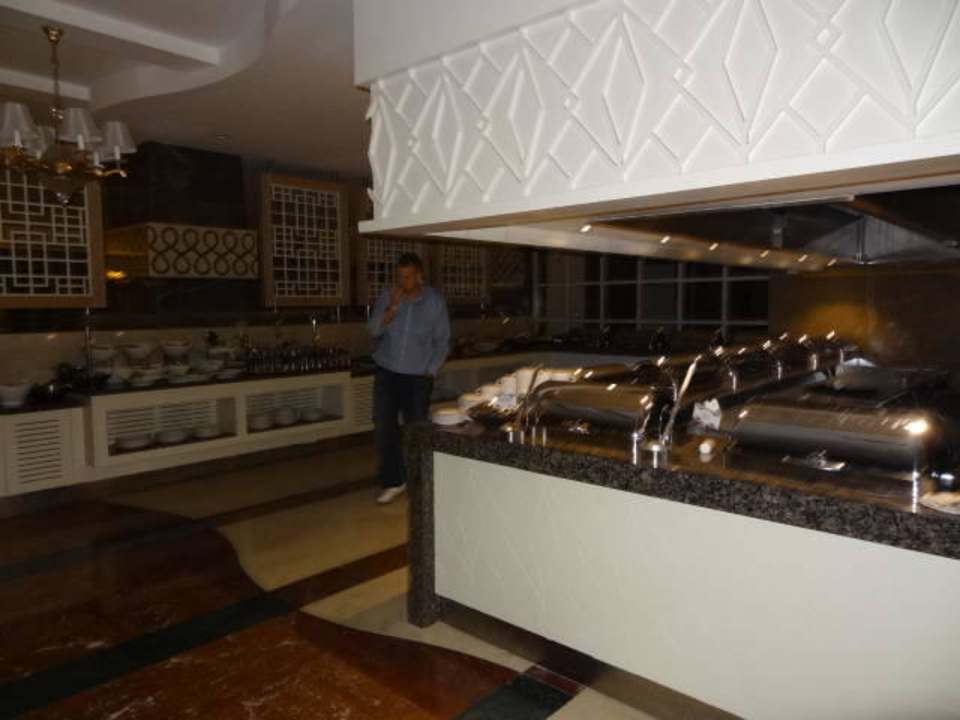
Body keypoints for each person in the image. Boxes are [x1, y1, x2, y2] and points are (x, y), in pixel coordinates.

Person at [367, 252, 450, 504]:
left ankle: (417, 479)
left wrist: (430, 370)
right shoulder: (388, 296)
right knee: (384, 427)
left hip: (417, 377)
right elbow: (373, 330)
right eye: (399, 277)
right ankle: (394, 481)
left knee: (415, 431)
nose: (402, 282)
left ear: (419, 276)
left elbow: (442, 341)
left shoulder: (434, 302)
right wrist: (392, 308)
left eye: (407, 277)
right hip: (387, 372)